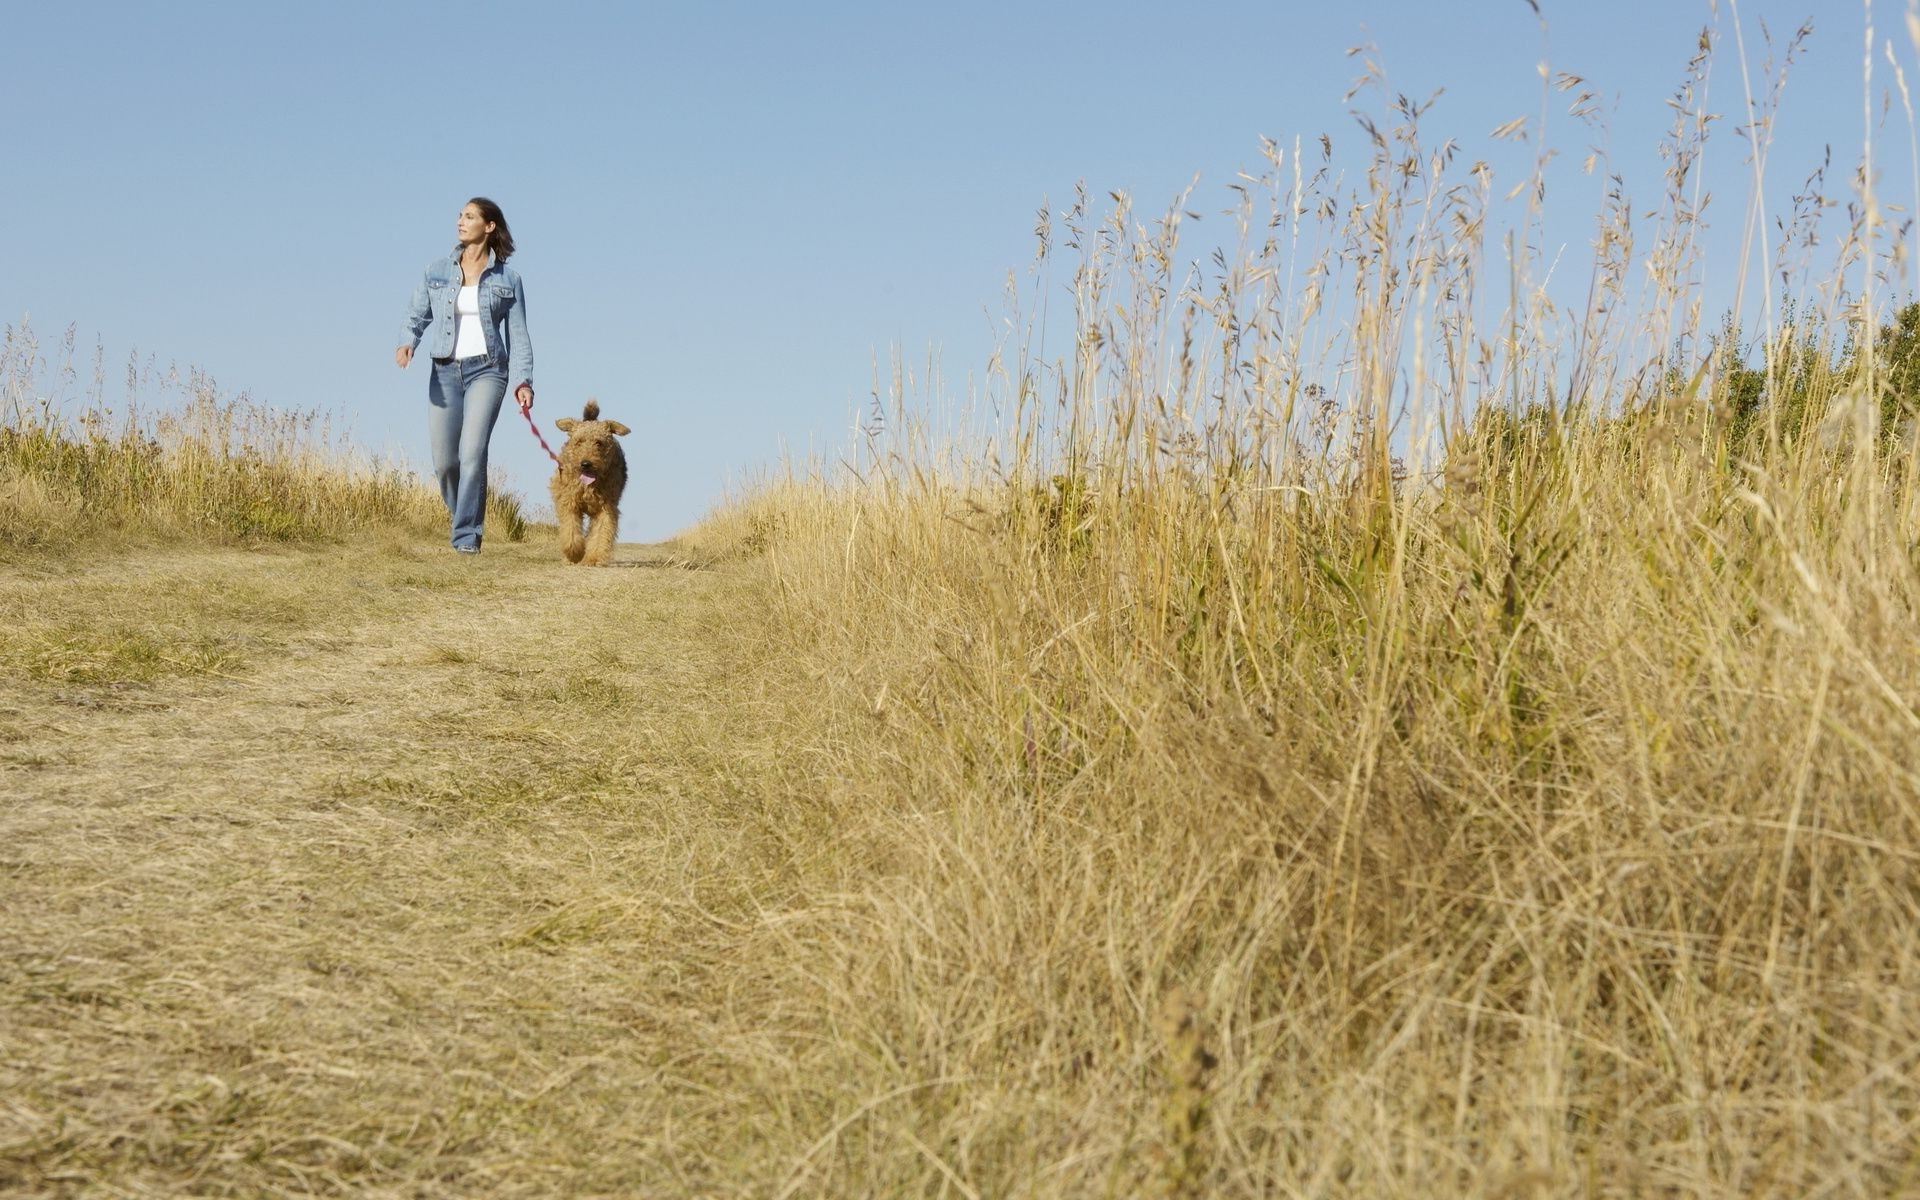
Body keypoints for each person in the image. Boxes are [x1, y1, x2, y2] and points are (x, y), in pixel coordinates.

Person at [396, 197, 534, 553]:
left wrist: (523, 381)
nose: (460, 221)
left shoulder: (509, 279)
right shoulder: (437, 270)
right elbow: (418, 311)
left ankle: (466, 540)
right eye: (460, 215)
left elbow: (518, 336)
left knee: (473, 452)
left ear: (488, 227)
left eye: (469, 216)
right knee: (445, 463)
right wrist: (408, 341)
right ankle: (464, 517)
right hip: (444, 371)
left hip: (487, 371)